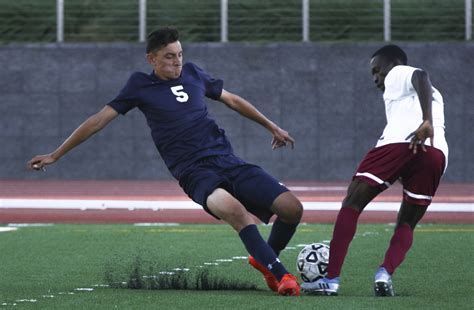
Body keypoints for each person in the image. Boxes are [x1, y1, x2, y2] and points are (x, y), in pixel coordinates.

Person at [27, 27, 303, 296]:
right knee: (235, 211)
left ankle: (264, 258)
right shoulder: (139, 85)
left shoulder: (194, 73)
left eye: (180, 54)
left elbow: (232, 100)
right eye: (170, 56)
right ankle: (282, 277)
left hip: (227, 159)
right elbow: (98, 120)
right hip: (195, 173)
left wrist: (272, 126)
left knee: (292, 208)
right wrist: (56, 154)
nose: (177, 61)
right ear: (152, 59)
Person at [301, 44, 448, 297]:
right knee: (407, 222)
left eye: (377, 70)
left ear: (392, 64)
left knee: (352, 202)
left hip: (402, 142)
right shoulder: (434, 95)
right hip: (436, 153)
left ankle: (331, 279)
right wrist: (428, 122)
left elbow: (420, 75)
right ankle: (384, 274)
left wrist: (426, 121)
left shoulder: (399, 72)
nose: (376, 78)